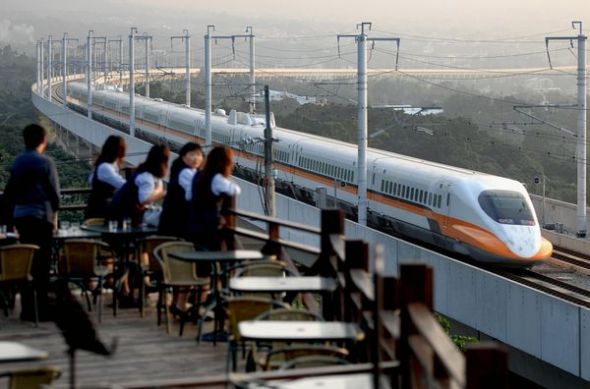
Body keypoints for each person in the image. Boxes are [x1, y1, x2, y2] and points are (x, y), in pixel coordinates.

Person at [3, 124, 60, 321]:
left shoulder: (18, 162)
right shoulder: (46, 162)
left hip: (21, 219)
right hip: (40, 218)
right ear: (43, 141)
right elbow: (55, 196)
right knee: (42, 266)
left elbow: (9, 194)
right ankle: (41, 310)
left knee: (27, 264)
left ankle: (27, 310)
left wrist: (10, 221)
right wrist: (53, 217)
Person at [187, 146, 241, 251]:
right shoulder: (217, 179)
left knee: (200, 259)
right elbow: (235, 190)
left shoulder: (197, 175)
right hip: (209, 228)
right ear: (226, 163)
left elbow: (188, 196)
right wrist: (228, 178)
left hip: (193, 225)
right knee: (215, 258)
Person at [108, 144, 169, 226]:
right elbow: (144, 200)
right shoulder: (146, 177)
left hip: (121, 212)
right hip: (123, 217)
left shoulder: (145, 172)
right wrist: (162, 193)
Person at [158, 142, 203, 237]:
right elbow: (197, 192)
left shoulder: (191, 170)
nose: (196, 158)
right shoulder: (185, 172)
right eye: (192, 154)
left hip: (174, 218)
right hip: (176, 220)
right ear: (183, 156)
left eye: (199, 154)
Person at [85, 135, 126, 220]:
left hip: (95, 211)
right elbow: (125, 185)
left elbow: (90, 179)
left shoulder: (102, 165)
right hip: (100, 214)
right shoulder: (105, 167)